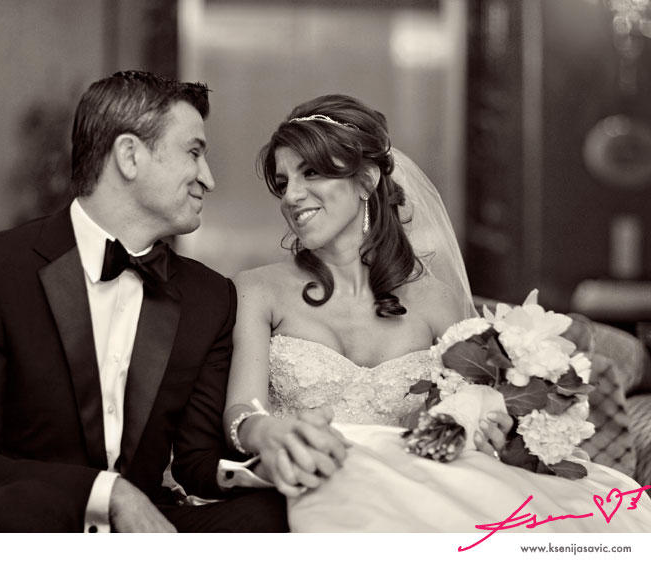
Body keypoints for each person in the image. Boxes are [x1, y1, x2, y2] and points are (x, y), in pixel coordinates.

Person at [223, 93, 651, 532]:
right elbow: (242, 409)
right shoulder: (257, 290)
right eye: (282, 182)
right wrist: (267, 433)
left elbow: (472, 411)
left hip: (414, 493)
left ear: (367, 179)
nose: (292, 196)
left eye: (310, 172)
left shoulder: (436, 301)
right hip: (307, 486)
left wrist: (490, 422)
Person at [0, 70, 287, 533]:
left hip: (141, 532)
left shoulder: (209, 297)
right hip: (17, 525)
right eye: (193, 153)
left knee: (273, 518)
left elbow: (198, 462)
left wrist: (268, 468)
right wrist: (106, 494)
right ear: (129, 156)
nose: (207, 178)